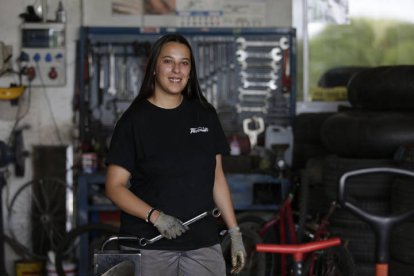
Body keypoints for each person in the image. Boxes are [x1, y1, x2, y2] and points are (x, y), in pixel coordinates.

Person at [105, 33, 246, 275]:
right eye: (168, 61)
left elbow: (217, 177)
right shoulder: (133, 121)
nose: (176, 70)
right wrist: (156, 217)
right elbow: (114, 187)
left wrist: (235, 232)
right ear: (154, 68)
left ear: (191, 71)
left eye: (184, 63)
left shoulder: (205, 114)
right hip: (150, 247)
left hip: (203, 245)